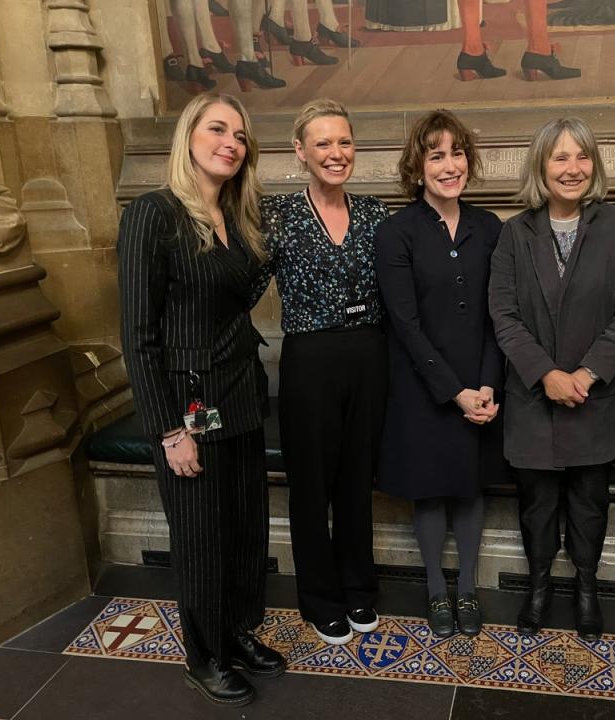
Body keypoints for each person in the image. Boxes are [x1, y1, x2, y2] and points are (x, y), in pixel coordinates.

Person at [117, 93, 286, 708]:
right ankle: (204, 656)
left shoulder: (240, 220)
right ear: (189, 135)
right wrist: (168, 430)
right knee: (199, 535)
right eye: (218, 129)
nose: (231, 143)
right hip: (186, 409)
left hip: (241, 394)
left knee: (244, 527)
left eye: (240, 135)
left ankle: (236, 634)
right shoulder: (153, 215)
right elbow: (139, 338)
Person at [489, 117, 615, 641]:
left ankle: (585, 588)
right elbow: (504, 315)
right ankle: (538, 588)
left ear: (593, 165)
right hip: (534, 399)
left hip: (595, 397)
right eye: (560, 157)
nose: (572, 168)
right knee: (535, 506)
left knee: (589, 503)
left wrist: (586, 372)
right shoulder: (514, 233)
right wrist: (546, 374)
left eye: (581, 156)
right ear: (541, 166)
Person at [251, 98, 389, 646]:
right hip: (309, 359)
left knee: (358, 482)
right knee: (311, 485)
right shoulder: (278, 215)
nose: (336, 153)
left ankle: (359, 589)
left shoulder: (377, 214)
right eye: (324, 143)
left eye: (345, 142)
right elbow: (240, 290)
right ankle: (320, 597)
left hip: (370, 357)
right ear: (300, 151)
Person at [374, 110, 504, 638]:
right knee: (430, 490)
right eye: (436, 155)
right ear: (418, 165)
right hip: (424, 389)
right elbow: (403, 324)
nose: (449, 165)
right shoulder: (396, 232)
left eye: (456, 153)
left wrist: (488, 384)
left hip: (483, 382)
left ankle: (467, 591)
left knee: (470, 488)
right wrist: (455, 392)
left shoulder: (491, 227)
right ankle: (435, 589)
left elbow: (503, 314)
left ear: (468, 160)